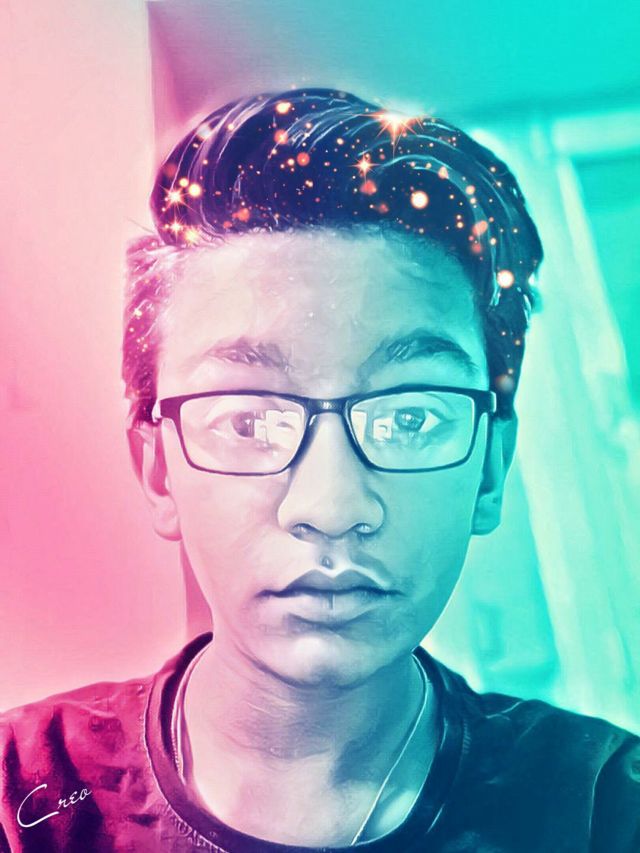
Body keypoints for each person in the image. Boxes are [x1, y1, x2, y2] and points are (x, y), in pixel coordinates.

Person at [1, 88, 638, 853]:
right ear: (160, 472)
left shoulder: (604, 807)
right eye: (246, 420)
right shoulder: (21, 795)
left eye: (410, 418)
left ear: (490, 471)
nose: (332, 505)